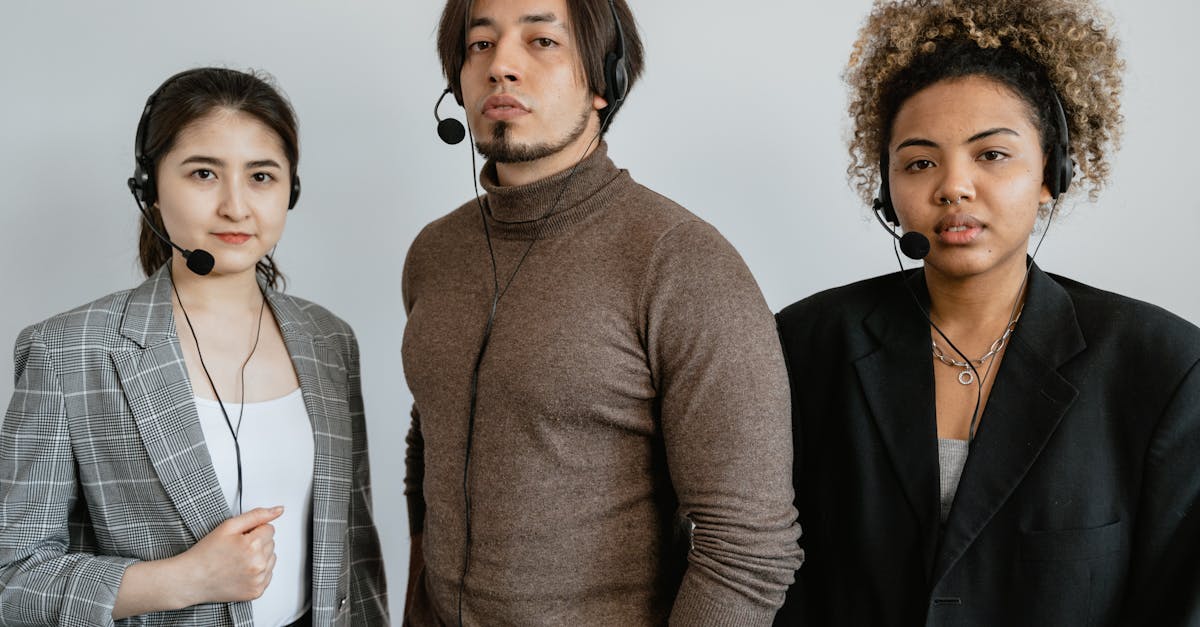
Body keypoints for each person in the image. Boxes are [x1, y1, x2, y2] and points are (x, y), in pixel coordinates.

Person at [774, 0, 1200, 624]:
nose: (953, 186)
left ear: (1053, 173)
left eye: (992, 155)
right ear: (886, 193)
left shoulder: (1165, 368)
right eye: (920, 162)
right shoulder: (802, 347)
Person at [402, 0, 803, 624]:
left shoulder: (682, 262)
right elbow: (430, 436)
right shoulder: (434, 252)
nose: (501, 65)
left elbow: (749, 546)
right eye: (480, 46)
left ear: (604, 80)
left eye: (541, 42)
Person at [0, 68, 388, 626]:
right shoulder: (68, 350)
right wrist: (184, 580)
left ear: (291, 190)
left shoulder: (330, 341)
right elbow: (14, 580)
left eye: (261, 176)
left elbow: (354, 555)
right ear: (150, 188)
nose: (236, 206)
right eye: (204, 173)